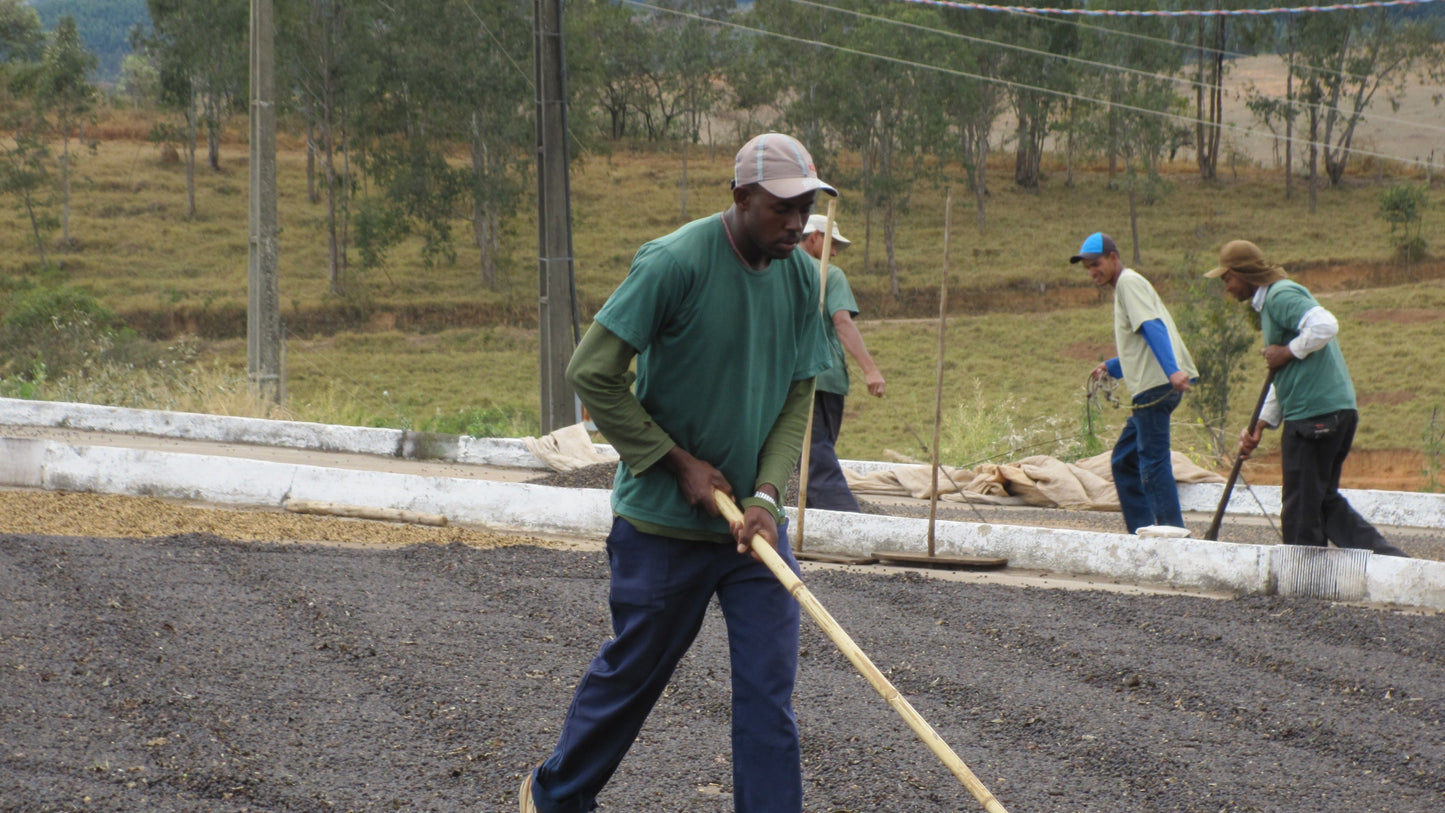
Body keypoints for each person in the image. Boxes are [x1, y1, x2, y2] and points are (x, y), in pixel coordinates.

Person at [520, 133, 836, 813]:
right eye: (780, 207)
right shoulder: (673, 262)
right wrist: (677, 462)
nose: (794, 223)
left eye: (805, 207)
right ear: (740, 197)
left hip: (751, 533)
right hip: (664, 523)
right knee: (632, 675)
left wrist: (769, 497)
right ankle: (554, 798)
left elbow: (796, 397)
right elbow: (591, 374)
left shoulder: (802, 280)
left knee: (767, 692)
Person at [1205, 240, 1409, 557]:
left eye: (1227, 279)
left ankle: (1302, 588)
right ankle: (1390, 562)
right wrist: (1260, 424)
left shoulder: (1280, 295)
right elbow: (1283, 374)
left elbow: (1326, 325)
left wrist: (1286, 351)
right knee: (1319, 501)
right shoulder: (1270, 304)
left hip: (1315, 416)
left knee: (1301, 507)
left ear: (1243, 274)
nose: (1227, 289)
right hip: (1330, 411)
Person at [1071, 231, 1198, 534]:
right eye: (1087, 267)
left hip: (1156, 387)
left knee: (1153, 463)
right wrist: (1112, 366)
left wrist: (1172, 371)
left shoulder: (1128, 283)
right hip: (1154, 384)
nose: (1092, 272)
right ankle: (1141, 532)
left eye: (1096, 264)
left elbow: (1152, 327)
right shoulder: (1127, 286)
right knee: (1124, 460)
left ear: (1113, 258)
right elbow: (1140, 344)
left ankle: (1172, 537)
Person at [798, 214, 885, 512]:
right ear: (813, 237)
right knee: (816, 454)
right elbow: (842, 322)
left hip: (782, 377)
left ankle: (813, 518)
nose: (833, 253)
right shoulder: (828, 275)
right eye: (831, 243)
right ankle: (848, 521)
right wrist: (870, 369)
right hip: (822, 378)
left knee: (802, 454)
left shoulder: (772, 270)